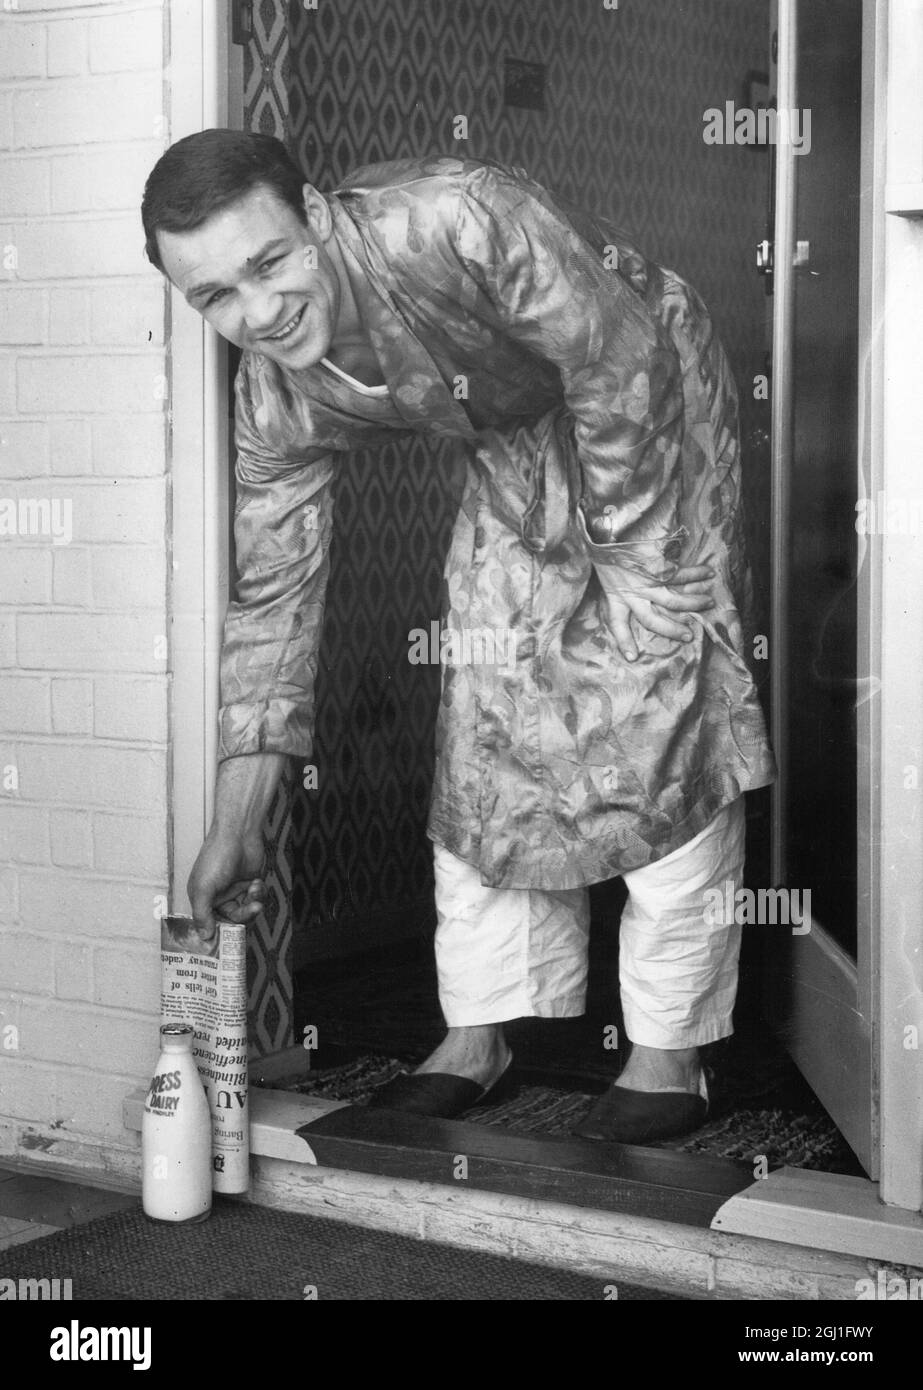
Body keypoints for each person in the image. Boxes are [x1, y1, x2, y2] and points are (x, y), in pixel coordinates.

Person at [141, 130, 775, 1142]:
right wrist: (238, 812)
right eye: (215, 296)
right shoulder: (275, 394)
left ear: (314, 212)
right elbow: (275, 598)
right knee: (485, 703)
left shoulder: (460, 213)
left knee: (655, 687)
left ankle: (667, 1048)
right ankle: (478, 1033)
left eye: (269, 262)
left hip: (643, 384)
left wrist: (611, 578)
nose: (258, 312)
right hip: (512, 437)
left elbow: (617, 362)